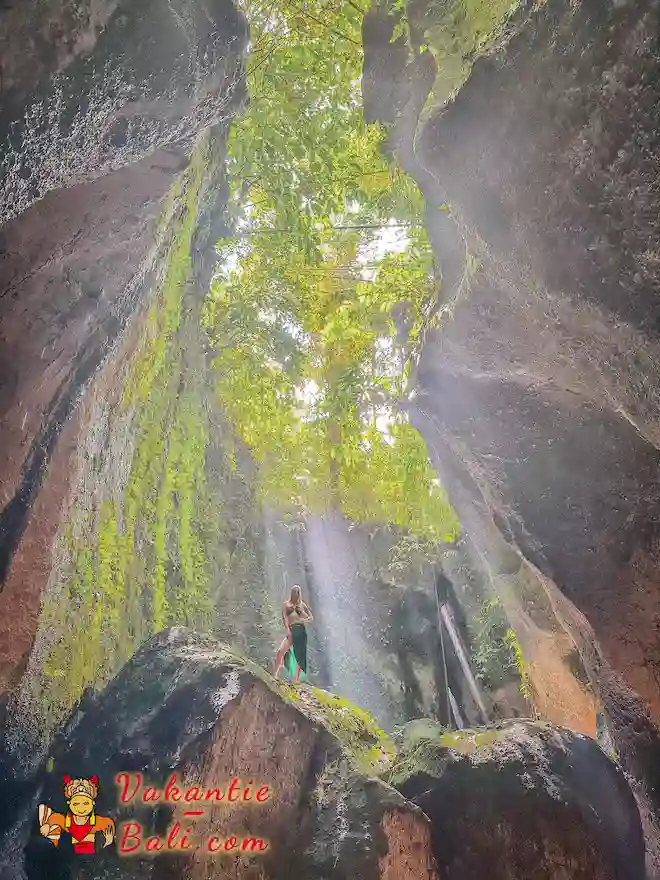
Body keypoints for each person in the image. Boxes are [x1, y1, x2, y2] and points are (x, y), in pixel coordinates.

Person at [273, 585, 313, 682]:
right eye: (294, 593)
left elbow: (310, 618)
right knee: (280, 651)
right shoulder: (286, 604)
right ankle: (275, 674)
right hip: (292, 630)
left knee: (300, 655)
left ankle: (297, 680)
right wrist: (287, 629)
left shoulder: (302, 605)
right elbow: (285, 618)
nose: (296, 596)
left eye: (297, 593)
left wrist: (302, 619)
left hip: (301, 631)